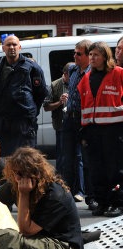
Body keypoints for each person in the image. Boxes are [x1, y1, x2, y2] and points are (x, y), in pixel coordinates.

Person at [78, 41, 123, 217]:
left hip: (114, 129)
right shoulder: (86, 78)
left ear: (105, 56)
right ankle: (102, 202)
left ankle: (117, 202)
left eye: (96, 55)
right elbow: (82, 106)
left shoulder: (118, 73)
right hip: (92, 131)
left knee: (115, 169)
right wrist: (82, 132)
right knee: (97, 169)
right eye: (90, 55)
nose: (92, 58)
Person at [0, 35, 48, 157]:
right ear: (3, 48)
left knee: (25, 160)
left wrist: (30, 112)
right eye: (8, 45)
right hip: (2, 122)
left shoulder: (32, 67)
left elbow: (41, 93)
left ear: (20, 47)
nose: (12, 47)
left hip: (23, 123)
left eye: (14, 44)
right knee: (2, 160)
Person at [60, 39, 95, 209]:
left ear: (89, 55)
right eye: (74, 53)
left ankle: (91, 196)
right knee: (67, 159)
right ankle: (67, 196)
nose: (75, 56)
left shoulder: (92, 72)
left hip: (85, 120)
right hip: (69, 119)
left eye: (78, 53)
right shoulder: (73, 70)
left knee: (88, 161)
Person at [43, 62, 74, 174]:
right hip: (61, 125)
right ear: (65, 74)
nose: (74, 77)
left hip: (76, 124)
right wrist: (59, 102)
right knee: (62, 156)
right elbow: (46, 107)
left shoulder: (79, 82)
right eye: (72, 75)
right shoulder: (54, 85)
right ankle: (61, 180)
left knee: (77, 157)